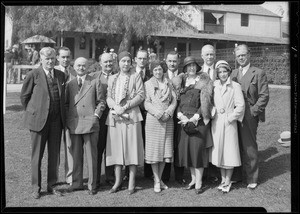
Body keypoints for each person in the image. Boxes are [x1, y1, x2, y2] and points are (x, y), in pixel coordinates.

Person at [20, 47, 66, 199]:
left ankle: (52, 185)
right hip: (38, 122)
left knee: (54, 156)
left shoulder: (60, 75)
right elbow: (24, 97)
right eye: (47, 59)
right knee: (36, 156)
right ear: (41, 59)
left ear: (56, 59)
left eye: (52, 58)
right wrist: (33, 113)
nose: (50, 61)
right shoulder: (33, 75)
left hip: (56, 122)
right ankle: (36, 188)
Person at [65, 57, 106, 195]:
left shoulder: (95, 81)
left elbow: (101, 102)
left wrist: (96, 116)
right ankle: (77, 183)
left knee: (91, 156)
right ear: (74, 67)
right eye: (78, 65)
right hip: (75, 124)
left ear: (88, 67)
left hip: (90, 123)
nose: (81, 68)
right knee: (76, 155)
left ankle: (92, 185)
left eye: (84, 66)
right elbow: (66, 104)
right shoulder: (70, 84)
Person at [105, 51, 145, 195]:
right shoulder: (113, 78)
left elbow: (141, 95)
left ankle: (131, 182)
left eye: (128, 61)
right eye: (123, 61)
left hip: (131, 116)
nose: (126, 64)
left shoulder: (136, 76)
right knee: (116, 149)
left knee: (131, 148)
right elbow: (108, 96)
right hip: (116, 117)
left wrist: (125, 106)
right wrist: (115, 107)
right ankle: (117, 181)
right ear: (119, 63)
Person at [230, 44, 269, 189]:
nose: (241, 58)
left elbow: (264, 96)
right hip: (234, 113)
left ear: (249, 55)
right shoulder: (233, 73)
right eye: (238, 55)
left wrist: (253, 111)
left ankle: (251, 178)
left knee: (249, 145)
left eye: (243, 55)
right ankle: (237, 175)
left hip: (249, 114)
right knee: (235, 143)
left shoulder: (258, 73)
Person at [175, 56, 214, 194]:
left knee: (197, 152)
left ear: (197, 67)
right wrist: (181, 115)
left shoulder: (204, 81)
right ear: (185, 68)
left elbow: (206, 102)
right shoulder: (182, 82)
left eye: (193, 65)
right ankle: (192, 179)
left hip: (198, 121)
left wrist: (196, 117)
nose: (191, 68)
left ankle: (199, 182)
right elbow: (178, 103)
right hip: (183, 120)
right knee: (189, 153)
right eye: (188, 66)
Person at [210, 60, 245, 193]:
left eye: (225, 71)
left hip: (229, 123)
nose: (223, 74)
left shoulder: (235, 86)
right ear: (217, 74)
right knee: (219, 151)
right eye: (220, 72)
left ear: (229, 72)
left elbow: (240, 106)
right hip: (217, 121)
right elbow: (209, 101)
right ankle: (223, 179)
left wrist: (230, 118)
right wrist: (213, 112)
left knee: (229, 152)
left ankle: (228, 180)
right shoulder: (214, 85)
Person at [144, 60, 177, 193]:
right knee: (154, 151)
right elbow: (146, 102)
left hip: (168, 120)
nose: (158, 72)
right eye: (155, 70)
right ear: (152, 71)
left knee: (165, 151)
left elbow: (174, 100)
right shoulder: (147, 84)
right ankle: (157, 181)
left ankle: (160, 179)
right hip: (153, 120)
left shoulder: (170, 83)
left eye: (159, 69)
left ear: (163, 69)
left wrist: (169, 112)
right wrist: (158, 113)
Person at [123, 49, 153, 181]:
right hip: (132, 112)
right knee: (129, 142)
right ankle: (127, 172)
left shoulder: (152, 74)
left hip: (148, 114)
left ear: (147, 60)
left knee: (148, 142)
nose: (142, 61)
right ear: (135, 59)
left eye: (144, 58)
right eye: (140, 58)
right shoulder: (129, 74)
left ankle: (148, 172)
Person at [90, 53, 115, 189]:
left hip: (115, 116)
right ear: (100, 63)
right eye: (105, 62)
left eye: (110, 62)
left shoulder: (118, 76)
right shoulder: (94, 77)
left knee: (111, 147)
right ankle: (96, 178)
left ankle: (110, 177)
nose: (108, 64)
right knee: (98, 147)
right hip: (100, 116)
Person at [162, 51, 186, 185]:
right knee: (166, 144)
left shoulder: (184, 77)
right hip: (165, 115)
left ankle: (179, 175)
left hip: (180, 114)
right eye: (170, 61)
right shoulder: (161, 75)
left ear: (178, 62)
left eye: (174, 61)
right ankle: (164, 175)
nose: (172, 63)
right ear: (166, 61)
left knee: (179, 145)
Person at [54, 46, 77, 186]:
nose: (66, 59)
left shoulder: (75, 72)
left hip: (70, 116)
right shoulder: (53, 72)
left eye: (68, 57)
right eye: (63, 57)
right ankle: (54, 178)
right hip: (55, 116)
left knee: (70, 147)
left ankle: (70, 177)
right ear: (58, 58)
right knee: (55, 148)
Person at [200, 44, 220, 183]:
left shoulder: (220, 71)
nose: (209, 57)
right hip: (202, 112)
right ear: (202, 56)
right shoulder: (198, 72)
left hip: (219, 113)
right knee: (203, 141)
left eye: (211, 54)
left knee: (215, 142)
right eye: (207, 54)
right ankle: (203, 171)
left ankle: (213, 172)